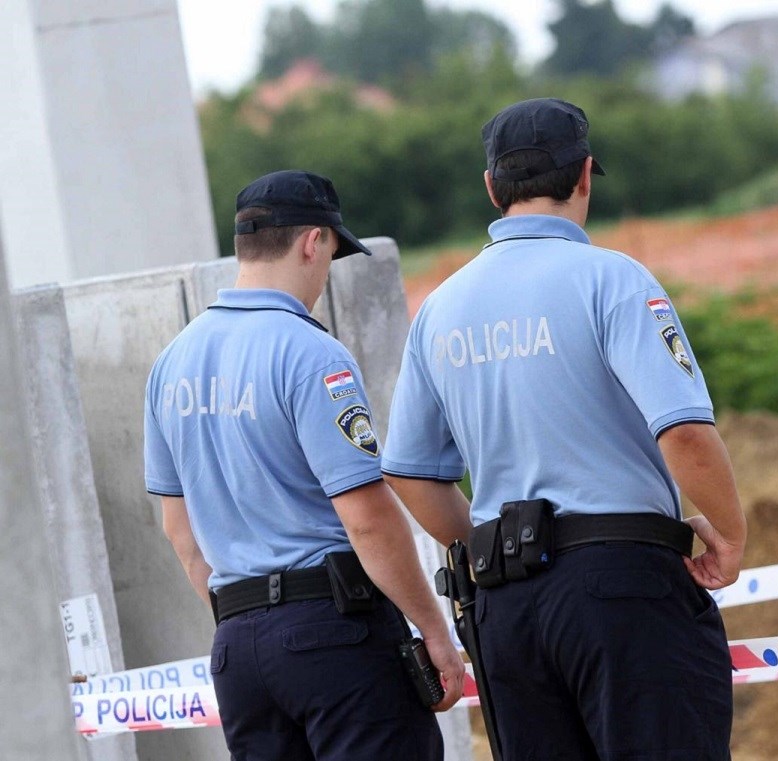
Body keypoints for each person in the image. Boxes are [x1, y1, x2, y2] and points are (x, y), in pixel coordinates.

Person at [382, 98, 747, 760]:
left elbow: (408, 470)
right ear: (583, 176)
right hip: (623, 589)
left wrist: (496, 541)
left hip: (505, 606)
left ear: (493, 188)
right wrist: (730, 531)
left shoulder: (440, 308)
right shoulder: (612, 280)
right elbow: (686, 434)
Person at [143, 170, 464, 760]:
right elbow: (367, 517)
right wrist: (434, 631)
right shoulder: (311, 352)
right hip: (335, 635)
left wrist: (250, 619)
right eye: (332, 255)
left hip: (237, 646)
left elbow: (180, 533)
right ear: (313, 242)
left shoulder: (172, 363)